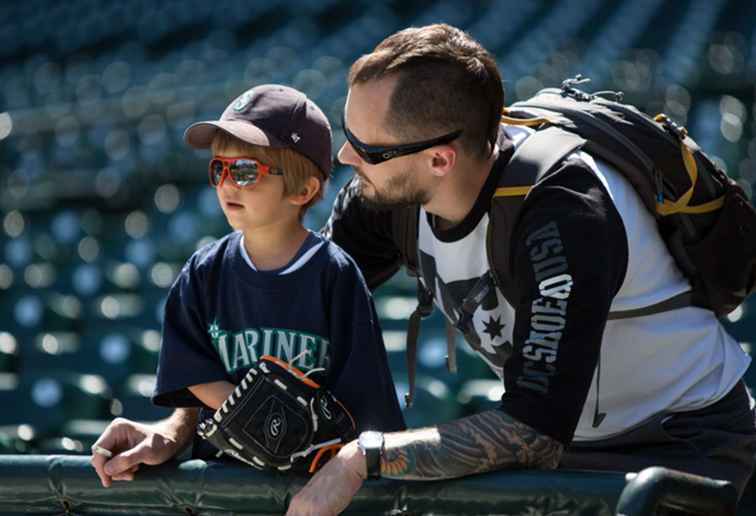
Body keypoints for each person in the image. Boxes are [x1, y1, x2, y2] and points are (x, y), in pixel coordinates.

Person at [283, 23, 756, 515]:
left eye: (368, 148)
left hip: (679, 446)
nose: (345, 156)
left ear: (440, 160)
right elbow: (304, 301)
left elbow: (534, 431)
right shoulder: (389, 189)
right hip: (568, 447)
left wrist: (366, 456)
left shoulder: (564, 211)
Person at [90, 84, 404, 488]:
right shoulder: (204, 273)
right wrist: (269, 422)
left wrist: (305, 440)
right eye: (218, 169)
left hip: (314, 490)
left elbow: (367, 407)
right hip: (223, 488)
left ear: (303, 190)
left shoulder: (335, 275)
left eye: (244, 171)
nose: (226, 184)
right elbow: (193, 376)